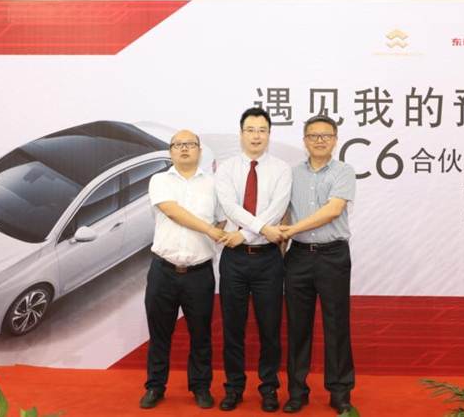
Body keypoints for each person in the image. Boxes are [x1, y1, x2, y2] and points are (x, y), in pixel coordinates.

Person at [139, 130, 226, 410]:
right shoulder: (159, 180)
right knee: (159, 334)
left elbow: (222, 220)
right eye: (178, 145)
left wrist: (213, 233)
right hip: (163, 270)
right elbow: (172, 210)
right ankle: (155, 386)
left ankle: (200, 387)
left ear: (199, 150)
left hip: (199, 273)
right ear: (171, 151)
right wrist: (209, 231)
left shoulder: (213, 184)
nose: (184, 149)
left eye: (190, 144)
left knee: (201, 335)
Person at [215, 107, 292, 412]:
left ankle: (269, 388)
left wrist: (245, 234)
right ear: (241, 133)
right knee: (233, 328)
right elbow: (230, 207)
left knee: (269, 329)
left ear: (269, 134)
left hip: (268, 260)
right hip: (234, 260)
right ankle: (233, 387)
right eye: (250, 129)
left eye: (262, 130)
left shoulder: (282, 169)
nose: (256, 136)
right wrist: (258, 231)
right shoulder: (227, 168)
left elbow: (278, 208)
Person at [278, 115, 356, 414]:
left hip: (332, 256)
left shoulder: (344, 171)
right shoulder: (291, 174)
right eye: (313, 135)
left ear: (335, 140)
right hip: (297, 257)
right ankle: (297, 392)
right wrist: (280, 249)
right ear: (304, 141)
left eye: (326, 135)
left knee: (337, 325)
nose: (320, 140)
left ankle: (340, 392)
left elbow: (332, 210)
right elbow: (285, 214)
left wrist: (292, 230)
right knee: (298, 327)